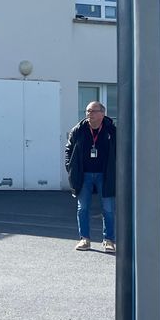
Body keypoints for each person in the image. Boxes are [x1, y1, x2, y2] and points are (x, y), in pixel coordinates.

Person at [65, 101, 117, 253]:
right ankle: (84, 239)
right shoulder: (79, 130)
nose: (89, 114)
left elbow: (122, 150)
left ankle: (108, 240)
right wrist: (70, 167)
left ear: (102, 113)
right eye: (87, 111)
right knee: (83, 208)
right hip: (84, 175)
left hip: (105, 175)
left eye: (93, 111)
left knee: (108, 209)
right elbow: (69, 148)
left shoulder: (111, 130)